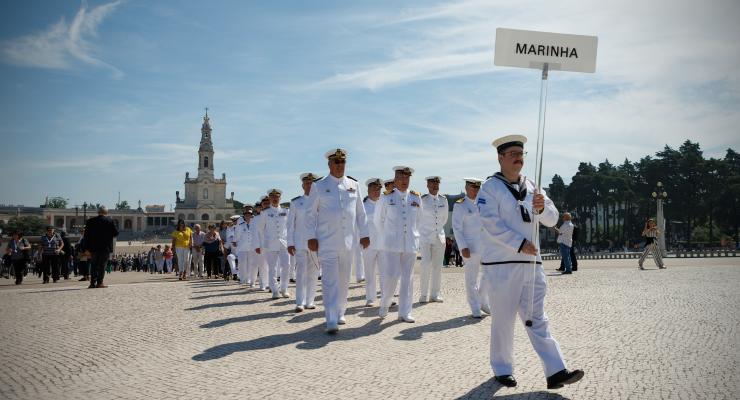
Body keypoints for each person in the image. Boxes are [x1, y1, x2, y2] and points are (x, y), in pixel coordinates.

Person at [477, 134, 583, 389]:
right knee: (503, 319)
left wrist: (541, 209)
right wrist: (518, 243)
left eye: (521, 154)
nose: (518, 158)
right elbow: (490, 223)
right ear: (500, 157)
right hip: (503, 265)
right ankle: (502, 368)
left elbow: (552, 218)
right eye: (512, 154)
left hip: (532, 265)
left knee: (537, 317)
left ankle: (556, 371)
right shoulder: (489, 188)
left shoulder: (533, 186)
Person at [306, 148, 370, 334]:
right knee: (329, 281)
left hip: (348, 242)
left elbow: (360, 212)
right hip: (327, 241)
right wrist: (311, 236)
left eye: (342, 162)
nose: (340, 165)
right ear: (329, 164)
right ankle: (331, 317)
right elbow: (310, 214)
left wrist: (365, 233)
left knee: (344, 280)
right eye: (336, 162)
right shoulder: (319, 186)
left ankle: (341, 311)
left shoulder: (354, 185)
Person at [375, 166, 422, 323]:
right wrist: (388, 236)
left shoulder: (416, 198)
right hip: (391, 244)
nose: (404, 181)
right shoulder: (387, 198)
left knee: (408, 279)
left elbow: (420, 221)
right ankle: (385, 302)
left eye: (407, 178)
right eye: (401, 178)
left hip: (410, 243)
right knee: (391, 276)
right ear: (395, 180)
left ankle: (405, 312)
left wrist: (416, 237)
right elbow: (378, 221)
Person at [452, 178, 490, 318]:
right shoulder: (460, 205)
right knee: (471, 278)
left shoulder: (484, 203)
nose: (475, 191)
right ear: (466, 188)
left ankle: (482, 300)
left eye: (477, 188)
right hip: (470, 247)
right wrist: (463, 246)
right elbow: (457, 228)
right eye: (472, 188)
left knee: (489, 274)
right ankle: (475, 306)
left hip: (485, 245)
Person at [287, 172, 321, 312]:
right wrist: (290, 242)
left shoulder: (320, 201)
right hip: (300, 242)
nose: (309, 185)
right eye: (307, 183)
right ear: (302, 185)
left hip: (316, 243)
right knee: (301, 272)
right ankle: (299, 302)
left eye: (312, 183)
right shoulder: (296, 202)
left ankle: (310, 301)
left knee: (313, 272)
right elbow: (290, 225)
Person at [418, 175, 449, 303]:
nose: (435, 186)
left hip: (439, 237)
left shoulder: (444, 200)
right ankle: (424, 294)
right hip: (425, 237)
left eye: (437, 184)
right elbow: (418, 218)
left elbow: (445, 219)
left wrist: (438, 231)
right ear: (427, 185)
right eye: (432, 184)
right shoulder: (422, 200)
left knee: (437, 266)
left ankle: (435, 294)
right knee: (425, 264)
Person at [258, 188, 291, 299]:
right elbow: (261, 229)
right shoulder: (265, 213)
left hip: (284, 243)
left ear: (280, 198)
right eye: (272, 197)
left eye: (276, 197)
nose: (275, 199)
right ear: (270, 199)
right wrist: (263, 244)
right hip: (270, 243)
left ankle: (284, 288)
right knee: (272, 268)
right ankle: (275, 290)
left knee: (286, 266)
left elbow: (290, 227)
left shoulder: (286, 211)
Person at [82, 206, 119, 289]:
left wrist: (86, 248)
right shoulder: (110, 221)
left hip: (93, 248)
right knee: (102, 265)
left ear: (98, 212)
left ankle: (92, 283)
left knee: (94, 265)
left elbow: (86, 236)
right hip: (105, 247)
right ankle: (100, 283)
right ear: (106, 213)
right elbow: (116, 233)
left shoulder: (90, 221)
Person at [361, 178, 384, 307]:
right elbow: (358, 225)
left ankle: (386, 297)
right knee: (369, 272)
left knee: (385, 272)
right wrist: (361, 238)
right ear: (368, 190)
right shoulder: (363, 207)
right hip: (368, 244)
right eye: (374, 189)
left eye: (378, 189)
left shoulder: (384, 204)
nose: (377, 192)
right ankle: (370, 297)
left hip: (383, 244)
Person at [234, 206, 260, 285]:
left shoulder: (255, 221)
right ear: (244, 214)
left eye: (249, 213)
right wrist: (235, 240)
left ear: (252, 214)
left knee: (251, 264)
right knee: (242, 263)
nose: (248, 215)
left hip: (252, 246)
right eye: (246, 213)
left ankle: (250, 279)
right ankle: (242, 278)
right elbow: (237, 232)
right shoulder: (240, 222)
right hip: (242, 246)